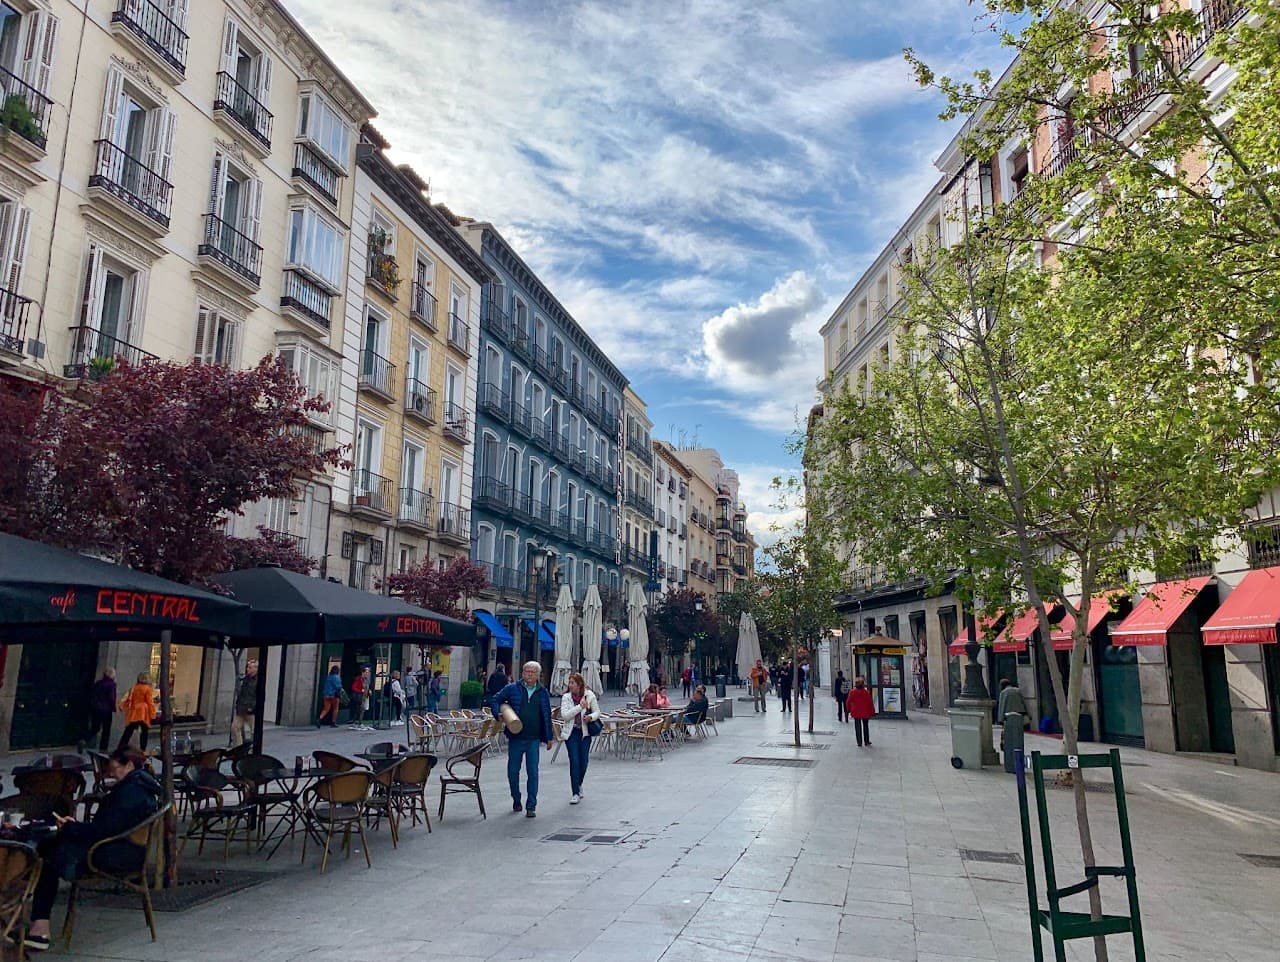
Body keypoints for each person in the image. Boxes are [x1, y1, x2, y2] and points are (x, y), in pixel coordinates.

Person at [20, 749, 162, 952]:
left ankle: (40, 926)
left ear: (129, 765)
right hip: (123, 849)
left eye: (114, 769)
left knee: (47, 856)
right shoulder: (139, 786)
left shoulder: (131, 792)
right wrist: (73, 827)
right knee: (50, 846)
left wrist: (70, 828)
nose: (111, 774)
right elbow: (108, 827)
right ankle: (34, 917)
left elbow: (103, 831)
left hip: (113, 854)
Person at [492, 661, 553, 817]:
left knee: (533, 772)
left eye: (533, 672)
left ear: (538, 674)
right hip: (516, 738)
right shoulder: (512, 688)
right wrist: (497, 713)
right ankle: (516, 798)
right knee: (513, 772)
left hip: (533, 739)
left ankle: (531, 805)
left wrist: (549, 737)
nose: (529, 674)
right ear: (522, 673)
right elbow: (495, 699)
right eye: (527, 671)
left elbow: (546, 715)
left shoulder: (542, 692)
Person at [559, 672, 601, 804]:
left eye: (573, 683)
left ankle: (579, 783)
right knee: (574, 761)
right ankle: (575, 792)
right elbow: (565, 715)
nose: (570, 685)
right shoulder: (566, 697)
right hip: (571, 734)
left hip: (585, 733)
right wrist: (579, 707)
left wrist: (591, 717)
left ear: (580, 685)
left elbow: (597, 712)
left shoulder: (590, 696)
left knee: (584, 762)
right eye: (569, 683)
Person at [80, 668, 117, 753]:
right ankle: (103, 749)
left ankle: (84, 739)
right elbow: (111, 698)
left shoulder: (98, 683)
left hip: (96, 708)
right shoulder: (112, 685)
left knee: (95, 728)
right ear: (111, 675)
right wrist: (113, 707)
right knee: (106, 730)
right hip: (106, 710)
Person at [116, 672, 156, 751]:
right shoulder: (147, 689)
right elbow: (150, 702)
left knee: (129, 730)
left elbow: (129, 699)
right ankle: (143, 749)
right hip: (143, 711)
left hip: (134, 711)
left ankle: (121, 746)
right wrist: (153, 714)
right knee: (144, 731)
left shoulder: (134, 687)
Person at [230, 659, 258, 748]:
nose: (247, 669)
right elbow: (242, 693)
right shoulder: (246, 679)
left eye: (250, 667)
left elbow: (258, 696)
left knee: (254, 730)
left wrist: (252, 707)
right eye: (247, 667)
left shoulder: (258, 680)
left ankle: (254, 748)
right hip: (241, 708)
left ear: (255, 669)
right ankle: (238, 748)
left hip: (251, 710)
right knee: (235, 727)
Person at [997, 679, 1028, 750]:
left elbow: (1002, 706)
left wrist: (1000, 719)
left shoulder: (1003, 693)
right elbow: (1023, 703)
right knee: (1018, 733)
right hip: (1020, 714)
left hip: (1008, 716)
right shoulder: (1018, 690)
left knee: (1008, 733)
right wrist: (1027, 714)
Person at [845, 676, 875, 747]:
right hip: (865, 712)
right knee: (865, 726)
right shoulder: (866, 692)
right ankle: (866, 741)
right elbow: (870, 703)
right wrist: (872, 712)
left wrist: (848, 710)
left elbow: (848, 702)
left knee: (857, 726)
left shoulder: (852, 692)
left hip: (856, 712)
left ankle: (859, 742)